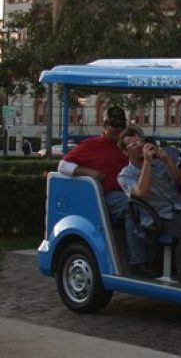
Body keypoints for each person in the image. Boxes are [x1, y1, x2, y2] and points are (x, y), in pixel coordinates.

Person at [57, 106, 149, 274]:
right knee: (133, 207)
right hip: (110, 194)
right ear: (105, 126)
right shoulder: (91, 145)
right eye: (114, 125)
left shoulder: (127, 144)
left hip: (133, 188)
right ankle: (138, 261)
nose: (118, 130)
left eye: (121, 125)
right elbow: (63, 166)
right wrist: (89, 172)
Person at [117, 126, 181, 283]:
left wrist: (166, 160)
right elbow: (141, 192)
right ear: (125, 152)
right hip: (158, 214)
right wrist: (147, 162)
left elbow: (180, 181)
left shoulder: (159, 164)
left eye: (140, 142)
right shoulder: (125, 175)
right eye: (134, 145)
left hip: (180, 207)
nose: (140, 146)